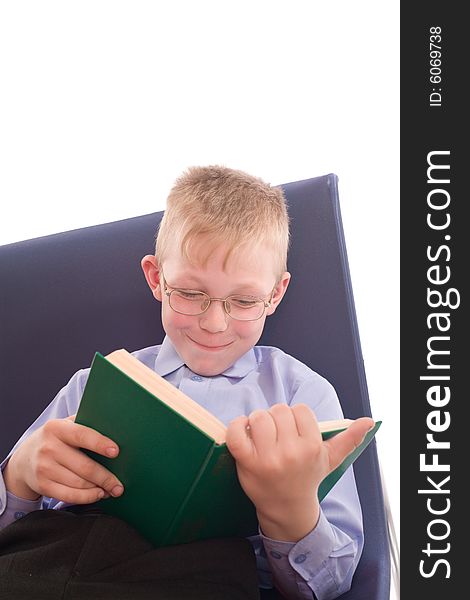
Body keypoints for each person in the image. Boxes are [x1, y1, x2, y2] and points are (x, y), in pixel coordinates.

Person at [0, 165, 374, 599]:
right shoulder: (94, 385)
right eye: (192, 294)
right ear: (157, 279)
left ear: (276, 294)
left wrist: (289, 513)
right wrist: (19, 477)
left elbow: (330, 586)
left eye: (245, 300)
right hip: (57, 561)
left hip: (205, 578)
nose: (215, 323)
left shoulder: (302, 397)